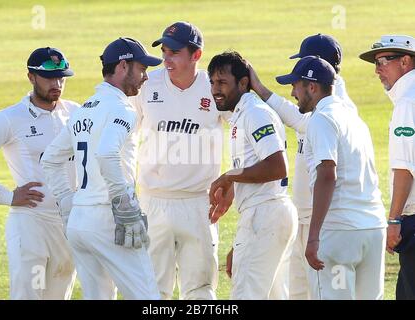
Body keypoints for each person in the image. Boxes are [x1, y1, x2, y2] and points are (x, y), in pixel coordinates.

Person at [41, 37, 162, 300]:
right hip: (109, 219)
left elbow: (50, 159)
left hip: (79, 223)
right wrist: (124, 203)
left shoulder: (83, 110)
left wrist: (68, 204)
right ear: (122, 67)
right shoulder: (122, 109)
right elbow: (106, 153)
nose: (145, 77)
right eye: (141, 69)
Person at [248, 33, 357, 299]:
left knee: (318, 292)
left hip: (322, 222)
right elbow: (294, 115)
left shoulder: (332, 108)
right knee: (299, 291)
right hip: (306, 216)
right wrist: (260, 89)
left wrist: (260, 89)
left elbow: (296, 118)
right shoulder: (320, 101)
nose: (294, 87)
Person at [0, 47, 78, 299]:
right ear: (31, 77)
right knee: (28, 295)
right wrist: (6, 196)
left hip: (69, 224)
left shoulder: (76, 113)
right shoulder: (10, 118)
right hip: (31, 224)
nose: (57, 84)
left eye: (61, 78)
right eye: (49, 78)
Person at [130, 21, 231, 300]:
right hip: (153, 202)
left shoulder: (213, 87)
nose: (166, 58)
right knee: (152, 291)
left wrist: (233, 181)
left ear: (196, 55)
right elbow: (125, 137)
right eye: (164, 51)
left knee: (200, 291)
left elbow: (241, 134)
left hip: (199, 203)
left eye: (174, 52)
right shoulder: (147, 85)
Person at [276, 55, 386, 299]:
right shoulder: (354, 118)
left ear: (312, 87)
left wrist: (314, 235)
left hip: (339, 232)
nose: (293, 92)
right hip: (372, 228)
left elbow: (327, 172)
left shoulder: (322, 119)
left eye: (295, 85)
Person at [208, 51, 297, 299]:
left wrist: (229, 176)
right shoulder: (242, 115)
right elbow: (256, 166)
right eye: (213, 82)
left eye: (222, 82)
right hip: (265, 215)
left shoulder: (255, 114)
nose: (216, 89)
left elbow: (277, 166)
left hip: (264, 214)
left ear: (243, 83)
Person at [360, 35, 415, 299]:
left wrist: (393, 220)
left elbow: (405, 169)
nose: (377, 69)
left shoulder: (407, 103)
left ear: (405, 61)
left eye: (383, 61)